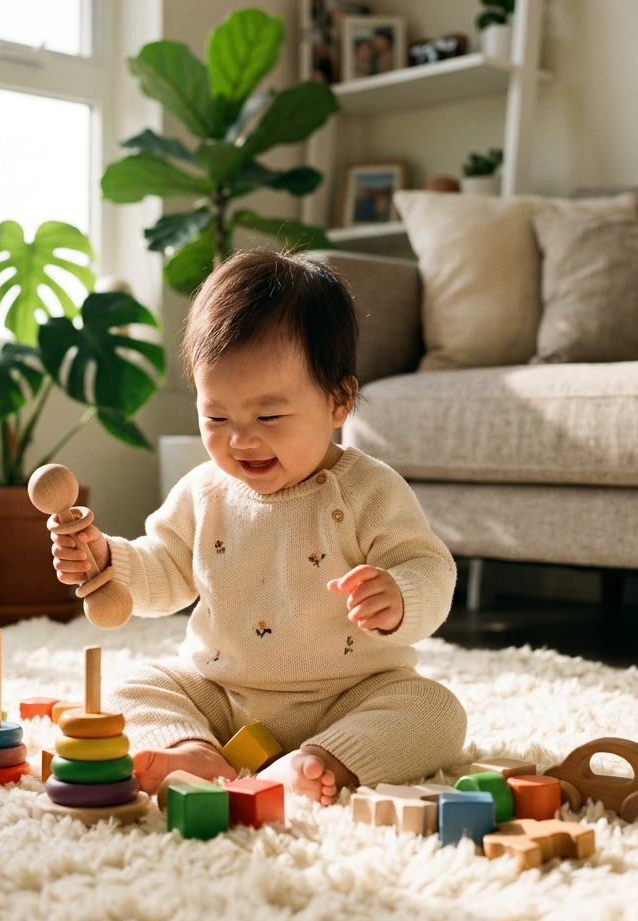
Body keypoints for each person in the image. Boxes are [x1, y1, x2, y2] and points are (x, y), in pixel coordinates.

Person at [50, 250, 466, 805]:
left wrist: (401, 594)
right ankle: (195, 749)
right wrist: (108, 560)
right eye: (216, 418)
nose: (241, 441)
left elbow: (428, 566)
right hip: (223, 693)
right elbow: (165, 570)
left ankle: (321, 760)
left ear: (339, 401)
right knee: (132, 686)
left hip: (352, 694)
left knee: (437, 711)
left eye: (268, 417)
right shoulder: (204, 491)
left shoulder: (371, 489)